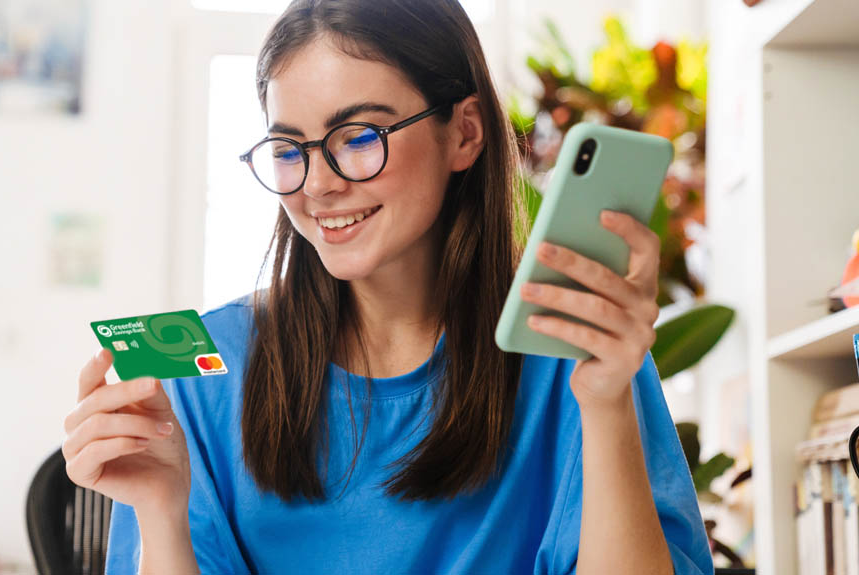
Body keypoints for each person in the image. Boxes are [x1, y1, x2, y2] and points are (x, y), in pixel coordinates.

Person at [61, 1, 714, 573]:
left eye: (359, 136)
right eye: (290, 148)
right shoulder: (197, 366)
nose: (318, 184)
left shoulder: (576, 347)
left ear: (464, 132)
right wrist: (161, 511)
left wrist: (604, 406)